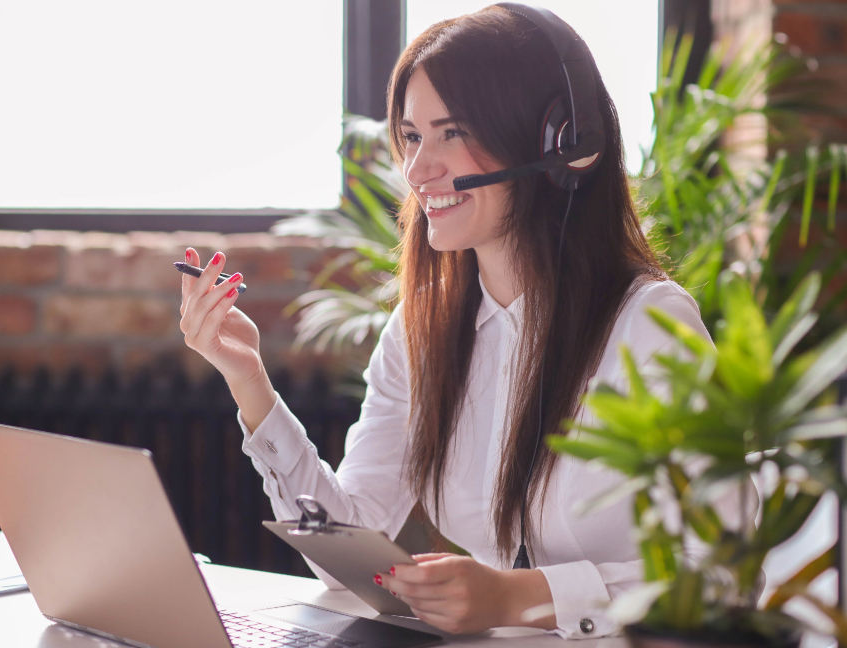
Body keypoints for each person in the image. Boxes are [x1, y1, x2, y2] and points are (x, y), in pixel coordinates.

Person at [178, 4, 724, 640]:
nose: (416, 171)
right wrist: (252, 388)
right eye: (412, 135)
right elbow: (348, 543)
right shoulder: (424, 328)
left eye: (452, 132)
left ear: (558, 145)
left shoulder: (649, 325)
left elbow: (721, 576)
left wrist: (519, 598)